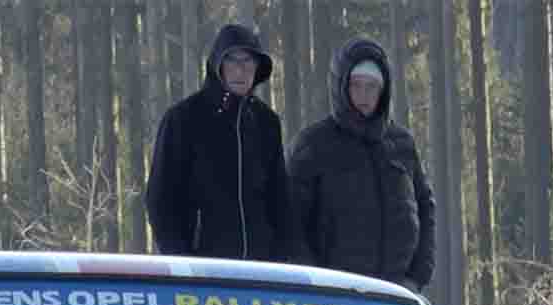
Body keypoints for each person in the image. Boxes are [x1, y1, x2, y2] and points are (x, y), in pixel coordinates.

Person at [285, 37, 436, 291]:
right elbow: (291, 224)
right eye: (356, 85)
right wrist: (313, 283)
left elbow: (425, 208)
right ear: (341, 86)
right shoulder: (312, 145)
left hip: (396, 294)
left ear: (384, 90)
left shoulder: (402, 144)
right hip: (332, 294)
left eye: (372, 87)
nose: (364, 95)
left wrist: (417, 276)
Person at [144, 24, 292, 263]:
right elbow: (160, 199)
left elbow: (280, 202)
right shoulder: (183, 119)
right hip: (202, 271)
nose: (241, 70)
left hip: (262, 271)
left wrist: (281, 260)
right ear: (218, 65)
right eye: (233, 60)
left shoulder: (266, 123)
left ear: (258, 68)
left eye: (249, 62)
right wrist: (182, 262)